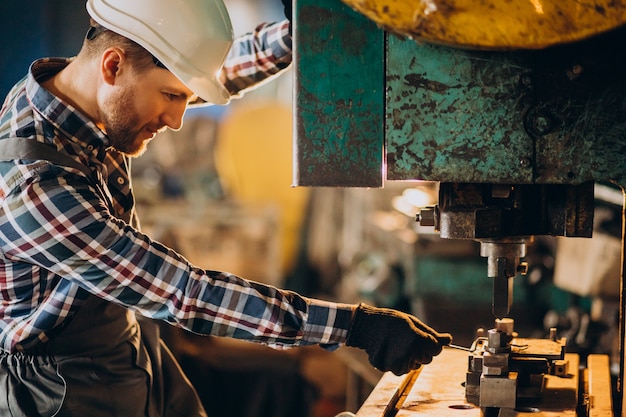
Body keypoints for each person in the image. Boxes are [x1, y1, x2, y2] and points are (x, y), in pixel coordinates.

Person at [0, 0, 452, 416]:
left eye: (182, 97)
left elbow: (214, 74)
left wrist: (305, 34)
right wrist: (354, 327)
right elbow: (185, 292)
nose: (178, 118)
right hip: (63, 386)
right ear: (113, 65)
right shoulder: (35, 187)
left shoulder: (73, 96)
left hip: (126, 343)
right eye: (171, 97)